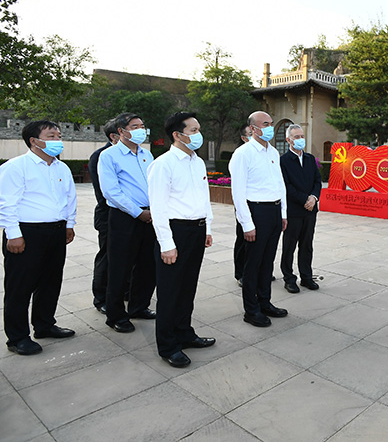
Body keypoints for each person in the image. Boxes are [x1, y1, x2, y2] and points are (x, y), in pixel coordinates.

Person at [0, 120, 77, 355]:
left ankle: (44, 325)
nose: (58, 140)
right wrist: (13, 234)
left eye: (59, 135)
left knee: (50, 281)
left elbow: (70, 197)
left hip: (56, 231)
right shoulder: (16, 166)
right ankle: (17, 337)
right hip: (27, 233)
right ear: (34, 141)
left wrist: (69, 224)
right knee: (20, 286)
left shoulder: (60, 167)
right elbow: (6, 203)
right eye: (51, 136)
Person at [147, 112, 215, 368]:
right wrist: (167, 244)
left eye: (199, 129)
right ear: (177, 134)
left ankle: (185, 333)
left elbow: (203, 197)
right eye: (193, 130)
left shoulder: (197, 162)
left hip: (196, 230)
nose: (198, 134)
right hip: (175, 231)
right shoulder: (163, 164)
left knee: (188, 287)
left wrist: (207, 227)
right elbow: (159, 207)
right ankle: (168, 346)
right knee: (170, 292)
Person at [98, 113, 157, 333]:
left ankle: (139, 306)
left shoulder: (147, 155)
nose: (141, 130)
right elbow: (111, 192)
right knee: (120, 267)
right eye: (135, 126)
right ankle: (115, 315)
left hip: (150, 216)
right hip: (124, 217)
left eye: (142, 126)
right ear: (121, 131)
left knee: (147, 265)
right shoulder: (109, 156)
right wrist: (137, 212)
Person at [229, 111, 289, 327]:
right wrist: (247, 223)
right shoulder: (242, 154)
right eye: (265, 124)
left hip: (273, 212)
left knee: (267, 262)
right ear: (253, 128)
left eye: (271, 123)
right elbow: (238, 192)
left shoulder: (272, 151)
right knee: (252, 264)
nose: (270, 127)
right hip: (256, 211)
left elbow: (279, 185)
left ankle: (265, 302)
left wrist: (282, 214)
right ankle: (251, 310)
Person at [279, 124, 322, 293]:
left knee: (307, 245)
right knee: (289, 246)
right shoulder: (283, 161)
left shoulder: (311, 159)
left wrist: (313, 197)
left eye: (302, 136)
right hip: (294, 211)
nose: (300, 139)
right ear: (289, 140)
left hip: (311, 210)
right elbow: (286, 186)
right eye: (296, 137)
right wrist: (304, 198)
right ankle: (289, 278)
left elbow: (317, 181)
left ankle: (306, 277)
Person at [87, 119, 120, 314]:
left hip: (134, 215)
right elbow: (106, 192)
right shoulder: (101, 156)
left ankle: (124, 293)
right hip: (109, 214)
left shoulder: (139, 155)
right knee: (108, 257)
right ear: (114, 136)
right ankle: (101, 298)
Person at [233, 124, 252, 287]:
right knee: (243, 239)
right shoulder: (240, 155)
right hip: (244, 203)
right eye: (250, 134)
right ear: (244, 138)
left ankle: (255, 270)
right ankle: (241, 273)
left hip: (260, 206)